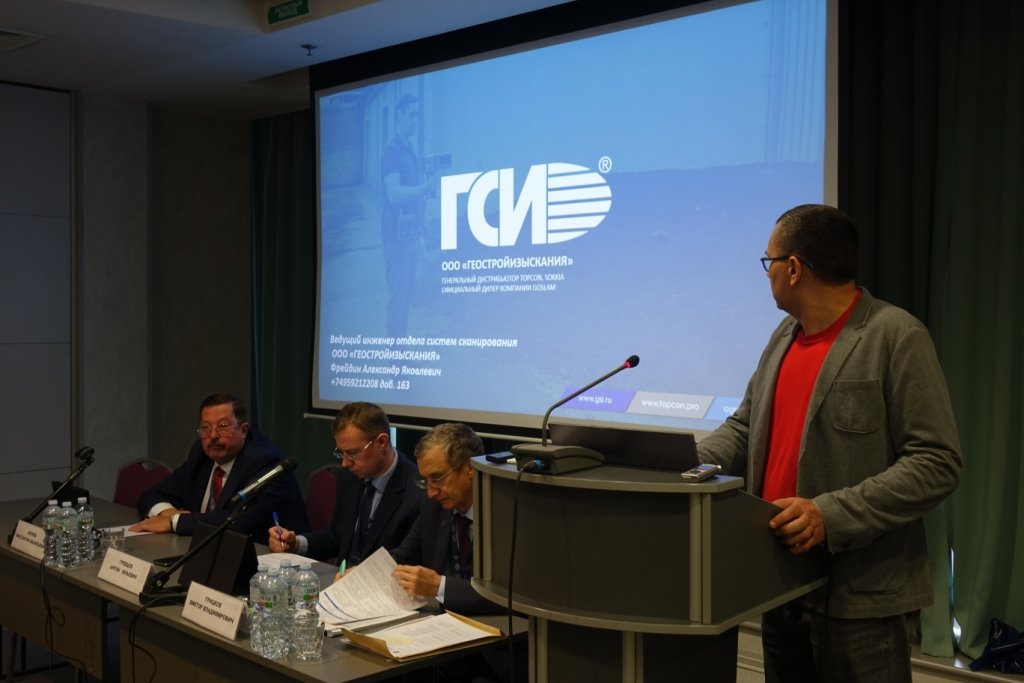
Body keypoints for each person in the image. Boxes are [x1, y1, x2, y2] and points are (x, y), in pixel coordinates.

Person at [696, 204, 962, 683]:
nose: (768, 273)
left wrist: (828, 515)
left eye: (769, 262)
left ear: (794, 269)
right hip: (779, 586)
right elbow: (744, 427)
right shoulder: (783, 337)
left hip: (861, 602)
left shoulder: (896, 336)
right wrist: (688, 465)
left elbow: (936, 463)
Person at [131, 393, 309, 545]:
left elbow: (236, 521)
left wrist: (173, 522)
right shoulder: (201, 455)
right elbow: (151, 495)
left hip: (267, 559)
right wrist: (167, 513)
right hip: (208, 549)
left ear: (244, 430)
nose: (213, 435)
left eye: (223, 426)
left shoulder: (265, 461)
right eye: (205, 428)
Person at [268, 401, 423, 565]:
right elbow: (338, 537)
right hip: (341, 578)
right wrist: (296, 544)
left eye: (352, 453)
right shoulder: (350, 477)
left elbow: (407, 559)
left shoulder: (418, 492)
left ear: (382, 442)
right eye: (341, 453)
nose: (345, 463)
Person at [389, 422, 499, 616]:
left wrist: (439, 586)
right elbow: (404, 556)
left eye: (437, 478)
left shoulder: (505, 515)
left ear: (470, 468)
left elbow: (507, 596)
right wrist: (362, 574)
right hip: (444, 622)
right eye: (425, 480)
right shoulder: (433, 507)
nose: (431, 492)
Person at [380, 93, 430, 337]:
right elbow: (394, 193)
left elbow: (413, 201)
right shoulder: (392, 151)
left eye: (417, 115)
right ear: (399, 115)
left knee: (407, 298)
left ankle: (401, 352)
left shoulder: (410, 151)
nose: (415, 120)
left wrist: (420, 234)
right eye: (411, 115)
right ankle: (396, 359)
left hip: (410, 236)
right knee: (398, 301)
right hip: (396, 239)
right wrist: (424, 188)